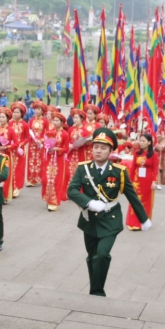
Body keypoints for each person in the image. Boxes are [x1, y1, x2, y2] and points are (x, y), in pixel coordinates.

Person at [67, 127, 151, 296]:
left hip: (110, 219)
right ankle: (95, 288)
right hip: (89, 219)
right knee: (92, 257)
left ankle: (97, 292)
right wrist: (89, 202)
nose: (98, 151)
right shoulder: (83, 168)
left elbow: (132, 196)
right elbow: (72, 190)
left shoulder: (119, 172)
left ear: (111, 150)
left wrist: (143, 218)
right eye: (96, 146)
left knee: (102, 255)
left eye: (103, 148)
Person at [126, 132, 159, 229]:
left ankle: (143, 221)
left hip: (148, 181)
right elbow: (133, 167)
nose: (141, 143)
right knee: (135, 200)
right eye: (140, 141)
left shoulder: (154, 155)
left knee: (145, 201)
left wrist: (154, 181)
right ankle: (133, 222)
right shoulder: (136, 153)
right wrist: (130, 181)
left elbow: (155, 169)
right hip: (137, 180)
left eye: (143, 141)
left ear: (149, 142)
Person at [41, 109, 70, 211]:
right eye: (54, 120)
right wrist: (47, 147)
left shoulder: (65, 134)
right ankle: (48, 198)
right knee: (46, 179)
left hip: (59, 160)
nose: (55, 122)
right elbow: (45, 143)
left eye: (57, 121)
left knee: (56, 180)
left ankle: (54, 202)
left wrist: (57, 149)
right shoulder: (49, 132)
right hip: (49, 158)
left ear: (62, 122)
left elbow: (66, 149)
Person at [9, 103, 29, 194]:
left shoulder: (25, 124)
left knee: (18, 168)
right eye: (14, 112)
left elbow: (28, 137)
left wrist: (21, 144)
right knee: (10, 167)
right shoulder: (9, 123)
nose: (15, 114)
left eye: (17, 112)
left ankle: (17, 187)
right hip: (10, 149)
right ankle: (10, 186)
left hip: (20, 150)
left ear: (21, 113)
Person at [27, 101, 47, 187]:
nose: (37, 111)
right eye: (35, 109)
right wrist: (33, 140)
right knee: (31, 161)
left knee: (40, 161)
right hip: (32, 144)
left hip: (41, 144)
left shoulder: (45, 121)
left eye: (39, 109)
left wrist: (41, 140)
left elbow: (47, 133)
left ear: (42, 110)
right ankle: (31, 180)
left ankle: (40, 178)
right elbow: (29, 132)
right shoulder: (31, 120)